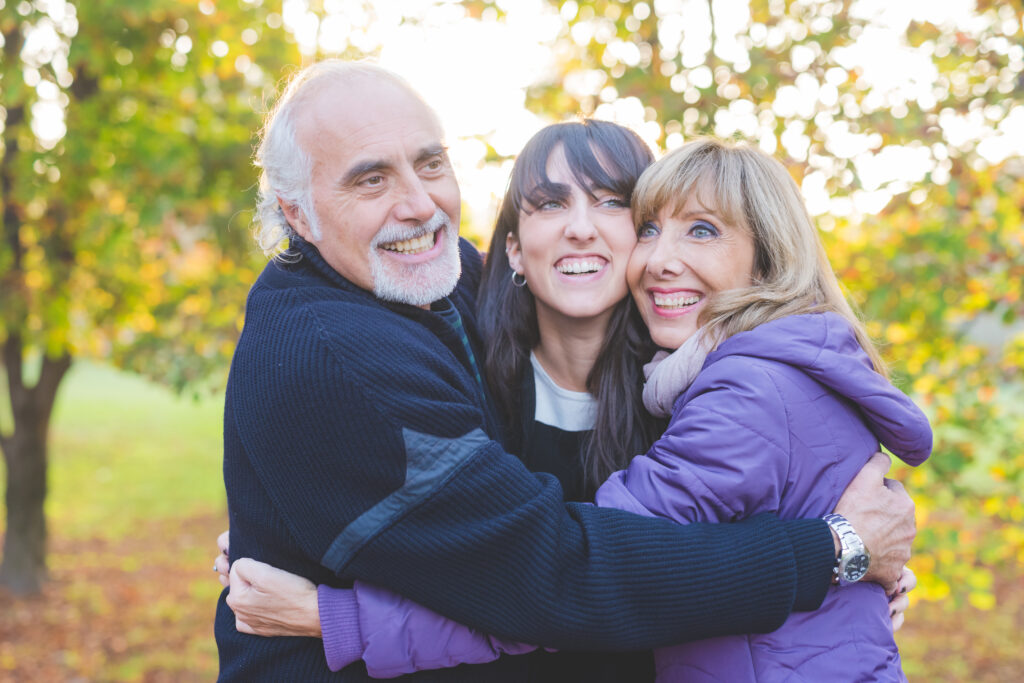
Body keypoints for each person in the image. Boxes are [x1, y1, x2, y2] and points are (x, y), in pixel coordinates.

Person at [215, 58, 916, 681]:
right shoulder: (368, 349)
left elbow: (572, 573)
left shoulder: (697, 384)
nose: (419, 204)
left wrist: (849, 573)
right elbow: (553, 578)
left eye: (430, 165)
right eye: (370, 179)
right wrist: (836, 553)